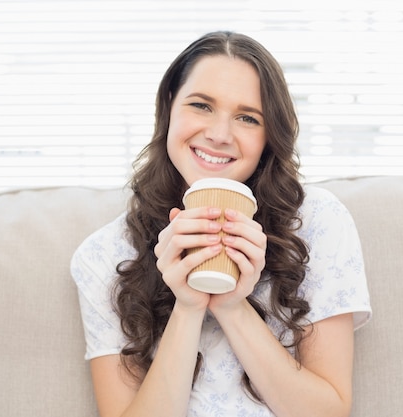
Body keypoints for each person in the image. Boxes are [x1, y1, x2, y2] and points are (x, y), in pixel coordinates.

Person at [71, 31, 371, 417]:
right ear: (169, 107)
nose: (219, 135)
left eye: (248, 117)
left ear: (269, 137)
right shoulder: (104, 255)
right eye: (201, 105)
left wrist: (232, 306)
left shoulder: (317, 222)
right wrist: (188, 306)